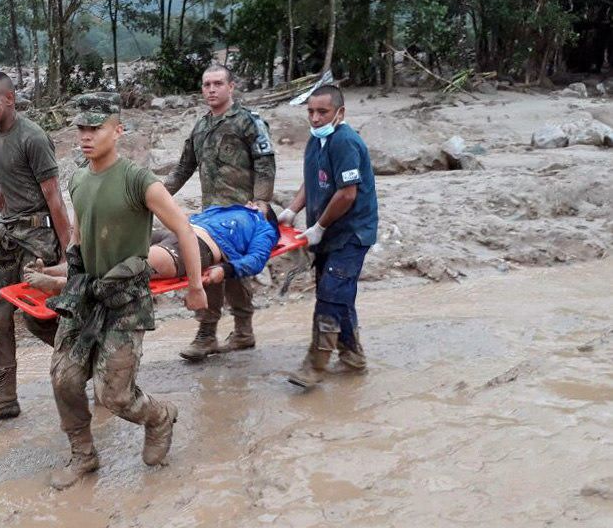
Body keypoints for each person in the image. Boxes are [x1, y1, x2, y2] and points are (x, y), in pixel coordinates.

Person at [47, 109, 208, 490]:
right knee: (64, 378)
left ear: (117, 131)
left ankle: (158, 417)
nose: (86, 136)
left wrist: (196, 285)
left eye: (95, 128)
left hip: (125, 300)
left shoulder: (139, 181)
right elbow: (79, 236)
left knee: (114, 395)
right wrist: (67, 276)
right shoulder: (79, 180)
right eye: (81, 129)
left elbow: (184, 228)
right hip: (86, 294)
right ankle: (83, 455)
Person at [0, 71, 72, 426]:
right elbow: (4, 183)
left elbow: (55, 199)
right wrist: (1, 203)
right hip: (8, 234)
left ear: (9, 99)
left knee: (38, 319)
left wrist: (69, 255)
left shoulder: (34, 138)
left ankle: (89, 361)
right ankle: (4, 398)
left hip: (38, 237)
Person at [163, 64, 276, 361]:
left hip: (242, 216)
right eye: (206, 85)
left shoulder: (248, 123)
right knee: (207, 273)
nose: (211, 89)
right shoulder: (200, 128)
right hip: (210, 216)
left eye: (217, 84)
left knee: (233, 274)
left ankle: (241, 331)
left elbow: (265, 164)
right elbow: (183, 169)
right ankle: (208, 333)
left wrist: (262, 202)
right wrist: (156, 198)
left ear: (231, 87)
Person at [278, 85, 378, 389]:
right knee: (338, 294)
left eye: (322, 112)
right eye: (310, 111)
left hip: (351, 233)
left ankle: (315, 364)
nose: (316, 118)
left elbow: (347, 193)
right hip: (326, 233)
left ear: (340, 113)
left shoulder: (346, 142)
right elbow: (313, 181)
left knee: (330, 294)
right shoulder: (316, 141)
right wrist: (291, 211)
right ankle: (352, 356)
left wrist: (319, 225)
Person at [25, 205, 280, 318]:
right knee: (109, 248)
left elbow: (257, 260)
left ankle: (62, 283)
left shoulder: (263, 227)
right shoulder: (226, 209)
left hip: (196, 248)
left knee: (131, 263)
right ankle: (53, 270)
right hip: (176, 231)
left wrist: (225, 270)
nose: (250, 202)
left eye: (257, 203)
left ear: (265, 213)